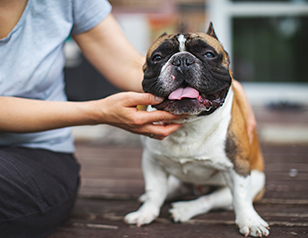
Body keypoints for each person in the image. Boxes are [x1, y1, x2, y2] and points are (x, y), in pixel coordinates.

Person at [0, 0, 256, 237]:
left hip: (36, 152)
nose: (182, 66)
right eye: (161, 58)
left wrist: (215, 83)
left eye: (208, 55)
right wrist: (99, 112)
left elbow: (131, 65)